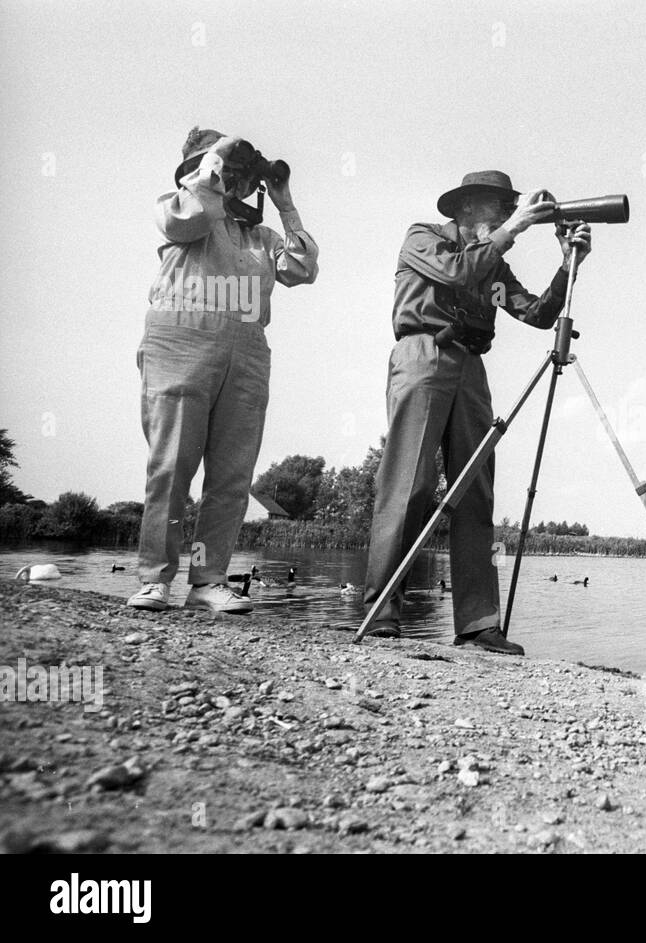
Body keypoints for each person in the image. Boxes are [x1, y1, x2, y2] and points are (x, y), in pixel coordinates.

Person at [362, 170, 591, 653]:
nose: (507, 217)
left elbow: (536, 313)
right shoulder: (423, 238)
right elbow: (454, 272)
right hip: (423, 354)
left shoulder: (492, 265)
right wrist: (519, 228)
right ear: (466, 207)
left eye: (511, 210)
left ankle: (477, 623)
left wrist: (569, 263)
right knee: (409, 483)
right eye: (500, 208)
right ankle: (382, 610)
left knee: (475, 490)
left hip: (471, 367)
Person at [128, 128, 319, 613]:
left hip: (247, 347)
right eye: (225, 172)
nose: (233, 182)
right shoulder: (181, 207)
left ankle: (208, 579)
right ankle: (155, 579)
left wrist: (283, 200)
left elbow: (303, 267)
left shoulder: (263, 237)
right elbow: (190, 214)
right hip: (182, 336)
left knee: (232, 475)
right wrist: (220, 154)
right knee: (171, 467)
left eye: (241, 176)